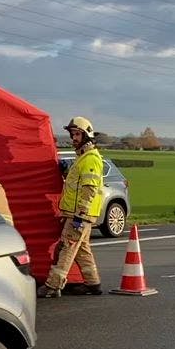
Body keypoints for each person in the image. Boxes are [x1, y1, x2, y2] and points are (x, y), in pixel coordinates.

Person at [38, 117, 104, 298]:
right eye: (72, 134)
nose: (74, 138)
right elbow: (77, 183)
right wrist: (66, 171)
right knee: (82, 250)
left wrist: (79, 215)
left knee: (66, 248)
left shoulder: (90, 159)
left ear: (87, 135)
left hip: (80, 215)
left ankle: (52, 286)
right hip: (78, 214)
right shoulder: (83, 158)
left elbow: (88, 190)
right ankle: (93, 284)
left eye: (77, 134)